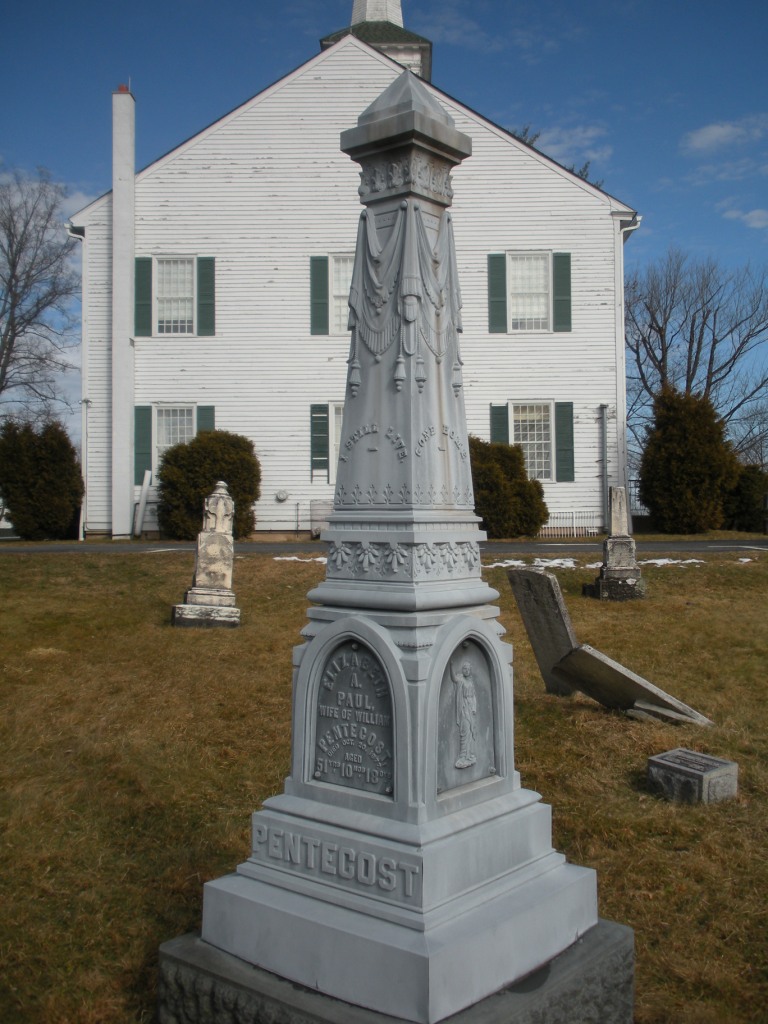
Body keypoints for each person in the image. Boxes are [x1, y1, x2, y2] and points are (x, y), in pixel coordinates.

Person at [451, 660, 477, 769]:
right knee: (465, 731)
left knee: (471, 732)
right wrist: (451, 666)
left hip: (471, 708)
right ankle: (462, 756)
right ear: (462, 670)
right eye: (464, 669)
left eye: (468, 669)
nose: (466, 671)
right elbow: (453, 679)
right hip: (464, 707)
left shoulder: (471, 681)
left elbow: (474, 695)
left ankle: (469, 755)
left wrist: (474, 708)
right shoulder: (460, 679)